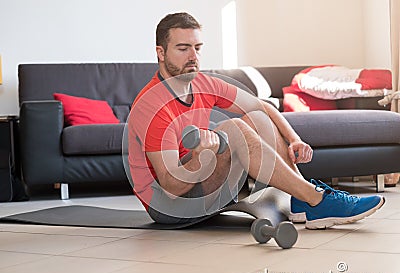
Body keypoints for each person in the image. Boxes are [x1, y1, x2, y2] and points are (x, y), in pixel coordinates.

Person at [128, 12, 385, 229]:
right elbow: (171, 186)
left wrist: (294, 139)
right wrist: (199, 157)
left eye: (197, 48)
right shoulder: (152, 106)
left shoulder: (203, 82)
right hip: (171, 207)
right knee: (234, 128)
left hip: (201, 182)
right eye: (183, 48)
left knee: (254, 117)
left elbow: (261, 106)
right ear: (160, 53)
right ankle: (316, 200)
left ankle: (301, 201)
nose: (193, 56)